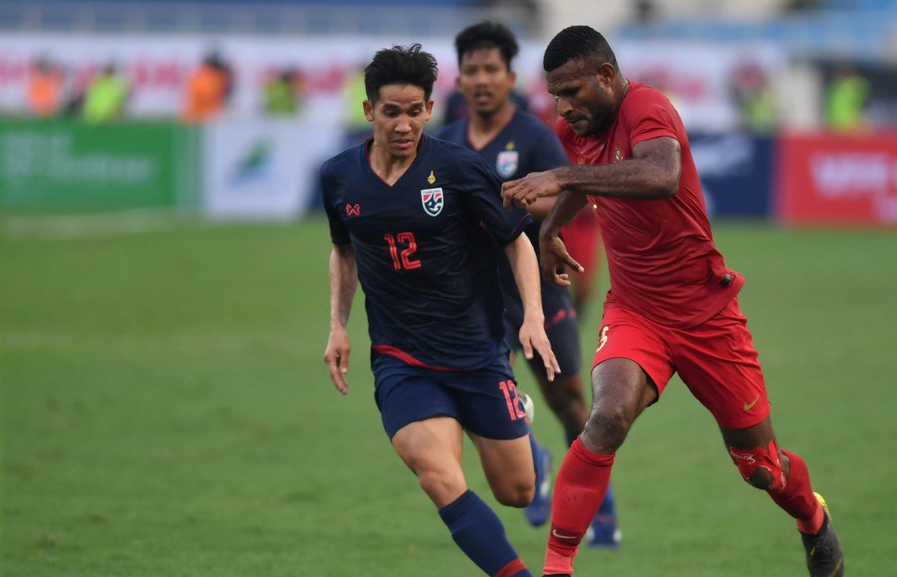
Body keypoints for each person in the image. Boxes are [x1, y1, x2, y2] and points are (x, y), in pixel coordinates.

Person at [501, 26, 844, 577]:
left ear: (606, 76)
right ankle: (558, 567)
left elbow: (661, 174)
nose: (563, 109)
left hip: (707, 316)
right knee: (608, 415)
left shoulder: (648, 106)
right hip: (636, 310)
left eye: (571, 92)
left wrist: (559, 175)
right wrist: (550, 230)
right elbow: (590, 182)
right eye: (556, 96)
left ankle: (811, 514)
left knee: (761, 468)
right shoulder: (587, 124)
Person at [320, 43, 560, 577]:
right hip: (401, 358)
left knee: (516, 491)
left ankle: (533, 453)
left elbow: (516, 242)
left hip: (477, 353)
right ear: (368, 112)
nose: (403, 125)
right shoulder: (339, 178)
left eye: (413, 111)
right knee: (438, 474)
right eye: (390, 112)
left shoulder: (459, 169)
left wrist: (533, 317)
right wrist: (337, 324)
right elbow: (343, 251)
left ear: (430, 109)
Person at [435, 20, 620, 546]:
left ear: (509, 75)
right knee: (485, 398)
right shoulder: (444, 143)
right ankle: (533, 464)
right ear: (461, 79)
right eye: (471, 70)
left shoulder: (536, 136)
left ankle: (600, 507)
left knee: (570, 405)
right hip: (474, 301)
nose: (481, 79)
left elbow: (569, 197)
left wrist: (503, 201)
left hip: (537, 290)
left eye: (491, 69)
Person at [182, 51, 231, 123]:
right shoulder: (207, 77)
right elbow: (206, 95)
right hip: (201, 115)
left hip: (204, 115)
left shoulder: (202, 75)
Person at [825, 62, 868, 133]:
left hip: (851, 123)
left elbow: (863, 103)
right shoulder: (834, 85)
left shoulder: (857, 84)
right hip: (835, 124)